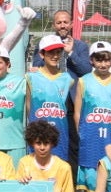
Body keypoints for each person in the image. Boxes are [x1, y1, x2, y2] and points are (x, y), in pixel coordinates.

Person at [73, 41, 111, 192]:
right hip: (91, 140)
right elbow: (78, 112)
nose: (103, 64)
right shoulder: (84, 81)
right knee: (90, 185)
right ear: (92, 60)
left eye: (106, 60)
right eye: (99, 60)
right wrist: (81, 135)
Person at [26, 34, 75, 163]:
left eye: (58, 52)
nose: (55, 56)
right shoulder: (31, 77)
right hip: (37, 136)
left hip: (60, 135)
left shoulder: (67, 79)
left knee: (58, 171)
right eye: (50, 52)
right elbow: (28, 107)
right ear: (42, 54)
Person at [30, 9, 91, 77]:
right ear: (53, 25)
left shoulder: (81, 46)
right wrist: (50, 55)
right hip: (52, 84)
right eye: (59, 23)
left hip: (72, 86)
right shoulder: (44, 44)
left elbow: (87, 71)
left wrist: (71, 53)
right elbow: (36, 67)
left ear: (71, 24)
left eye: (65, 22)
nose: (62, 26)